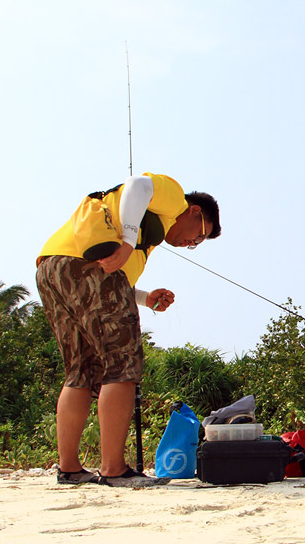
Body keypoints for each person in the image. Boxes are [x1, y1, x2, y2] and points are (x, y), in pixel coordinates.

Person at [36, 173, 221, 487]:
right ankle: (114, 469)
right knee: (122, 364)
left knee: (80, 371)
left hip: (52, 267)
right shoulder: (173, 198)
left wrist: (144, 299)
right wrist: (125, 242)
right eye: (199, 236)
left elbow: (111, 282)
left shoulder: (142, 238)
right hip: (83, 267)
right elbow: (139, 185)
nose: (191, 243)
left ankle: (68, 468)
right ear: (195, 212)